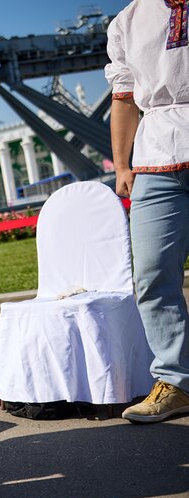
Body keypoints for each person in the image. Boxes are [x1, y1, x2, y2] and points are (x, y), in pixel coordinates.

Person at [105, 0, 189, 423]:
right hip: (155, 159)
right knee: (153, 275)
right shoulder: (127, 21)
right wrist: (122, 166)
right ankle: (176, 382)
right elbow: (124, 99)